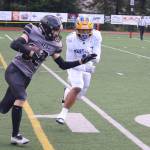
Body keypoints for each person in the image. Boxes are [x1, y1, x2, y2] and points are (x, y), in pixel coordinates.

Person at [0, 15, 96, 145]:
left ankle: (14, 132)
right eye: (56, 30)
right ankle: (15, 136)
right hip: (15, 70)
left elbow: (62, 65)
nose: (57, 33)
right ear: (46, 28)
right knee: (21, 97)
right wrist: (31, 52)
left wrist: (81, 61)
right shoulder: (32, 30)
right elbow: (15, 44)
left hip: (26, 77)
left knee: (4, 107)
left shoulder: (54, 44)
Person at [56, 16, 102, 125]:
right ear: (77, 29)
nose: (85, 33)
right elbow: (69, 62)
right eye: (82, 30)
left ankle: (67, 91)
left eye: (87, 30)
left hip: (88, 65)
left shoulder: (96, 36)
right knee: (78, 86)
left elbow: (97, 56)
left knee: (80, 96)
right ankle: (63, 113)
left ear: (91, 29)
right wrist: (84, 65)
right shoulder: (71, 39)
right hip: (75, 65)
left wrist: (93, 59)